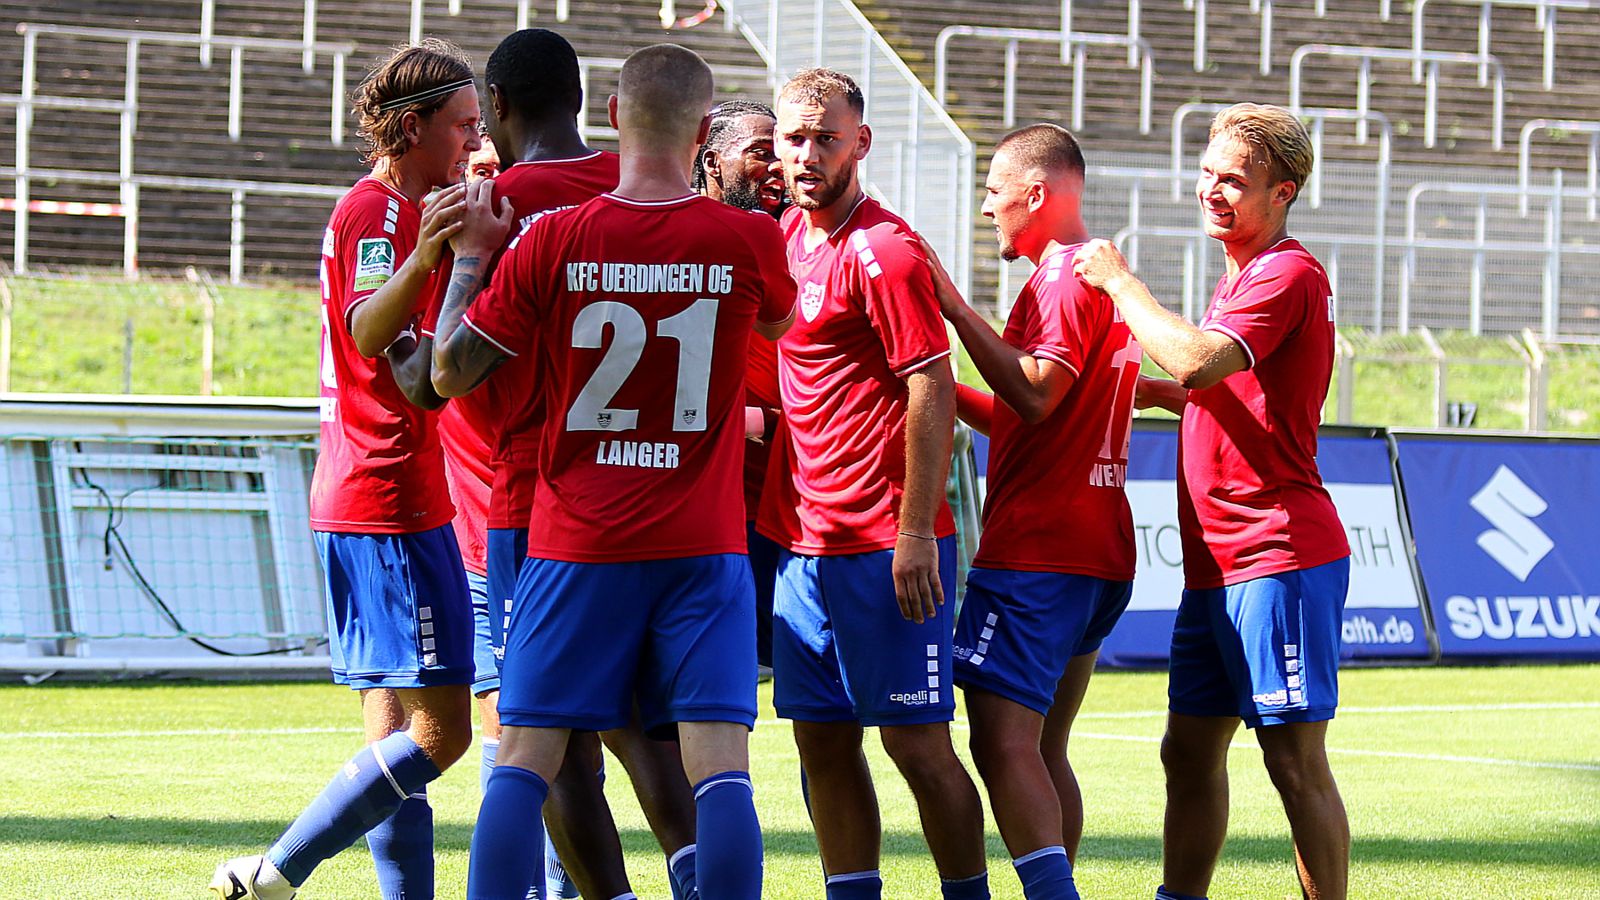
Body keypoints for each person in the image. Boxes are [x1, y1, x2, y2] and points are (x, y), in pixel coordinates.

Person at [430, 43, 796, 900]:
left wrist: (475, 258)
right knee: (721, 773)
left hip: (574, 541)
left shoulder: (553, 238)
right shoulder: (747, 238)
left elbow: (446, 374)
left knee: (524, 762)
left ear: (611, 119)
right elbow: (778, 326)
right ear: (704, 132)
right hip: (703, 547)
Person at [209, 40, 481, 900]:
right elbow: (371, 327)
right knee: (444, 736)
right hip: (391, 494)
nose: (476, 144)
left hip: (365, 491)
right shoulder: (384, 216)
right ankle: (280, 869)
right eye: (463, 126)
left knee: (394, 728)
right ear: (410, 129)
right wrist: (442, 261)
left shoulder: (401, 211)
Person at [1073, 102, 1352, 900]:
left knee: (1294, 764)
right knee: (1188, 751)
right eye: (1207, 174)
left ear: (1283, 193)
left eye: (1236, 180)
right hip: (1215, 566)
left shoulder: (1286, 272)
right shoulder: (1244, 274)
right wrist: (1125, 390)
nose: (1213, 191)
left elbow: (1197, 362)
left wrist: (1121, 283)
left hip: (1277, 554)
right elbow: (1206, 388)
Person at [763, 67, 989, 900]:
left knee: (917, 744)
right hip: (803, 547)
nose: (809, 153)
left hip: (884, 546)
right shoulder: (786, 237)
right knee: (821, 742)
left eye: (827, 137)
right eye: (796, 138)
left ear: (861, 143)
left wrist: (915, 528)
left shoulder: (884, 249)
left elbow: (931, 385)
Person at [922, 123, 1140, 900]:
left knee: (1003, 742)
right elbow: (1029, 406)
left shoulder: (1063, 281)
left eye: (994, 192)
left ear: (1036, 195)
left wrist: (950, 305)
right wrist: (938, 389)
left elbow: (1039, 392)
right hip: (1098, 547)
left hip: (1041, 551)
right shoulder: (1103, 278)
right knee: (1045, 748)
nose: (988, 210)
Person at [695, 99, 785, 673]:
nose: (779, 166)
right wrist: (747, 421)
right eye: (761, 153)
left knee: (818, 707)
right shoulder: (678, 241)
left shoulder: (798, 237)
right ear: (710, 160)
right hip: (708, 513)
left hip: (791, 512)